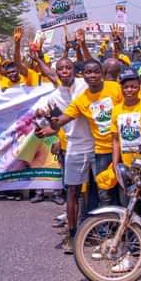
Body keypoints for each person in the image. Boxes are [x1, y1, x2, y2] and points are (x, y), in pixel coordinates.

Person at [34, 56, 91, 254]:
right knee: (72, 192)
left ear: (74, 70)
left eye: (68, 67)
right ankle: (73, 234)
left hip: (98, 145)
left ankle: (95, 230)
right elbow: (40, 110)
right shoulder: (54, 95)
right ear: (57, 73)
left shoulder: (86, 85)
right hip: (74, 147)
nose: (65, 71)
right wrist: (41, 113)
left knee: (96, 193)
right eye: (61, 69)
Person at [50, 59, 123, 209]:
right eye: (88, 72)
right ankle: (107, 230)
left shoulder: (115, 88)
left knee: (125, 192)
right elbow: (64, 119)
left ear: (102, 73)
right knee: (105, 193)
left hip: (125, 148)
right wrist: (54, 122)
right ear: (82, 76)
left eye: (96, 71)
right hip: (103, 152)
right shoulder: (81, 100)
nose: (93, 75)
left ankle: (129, 229)